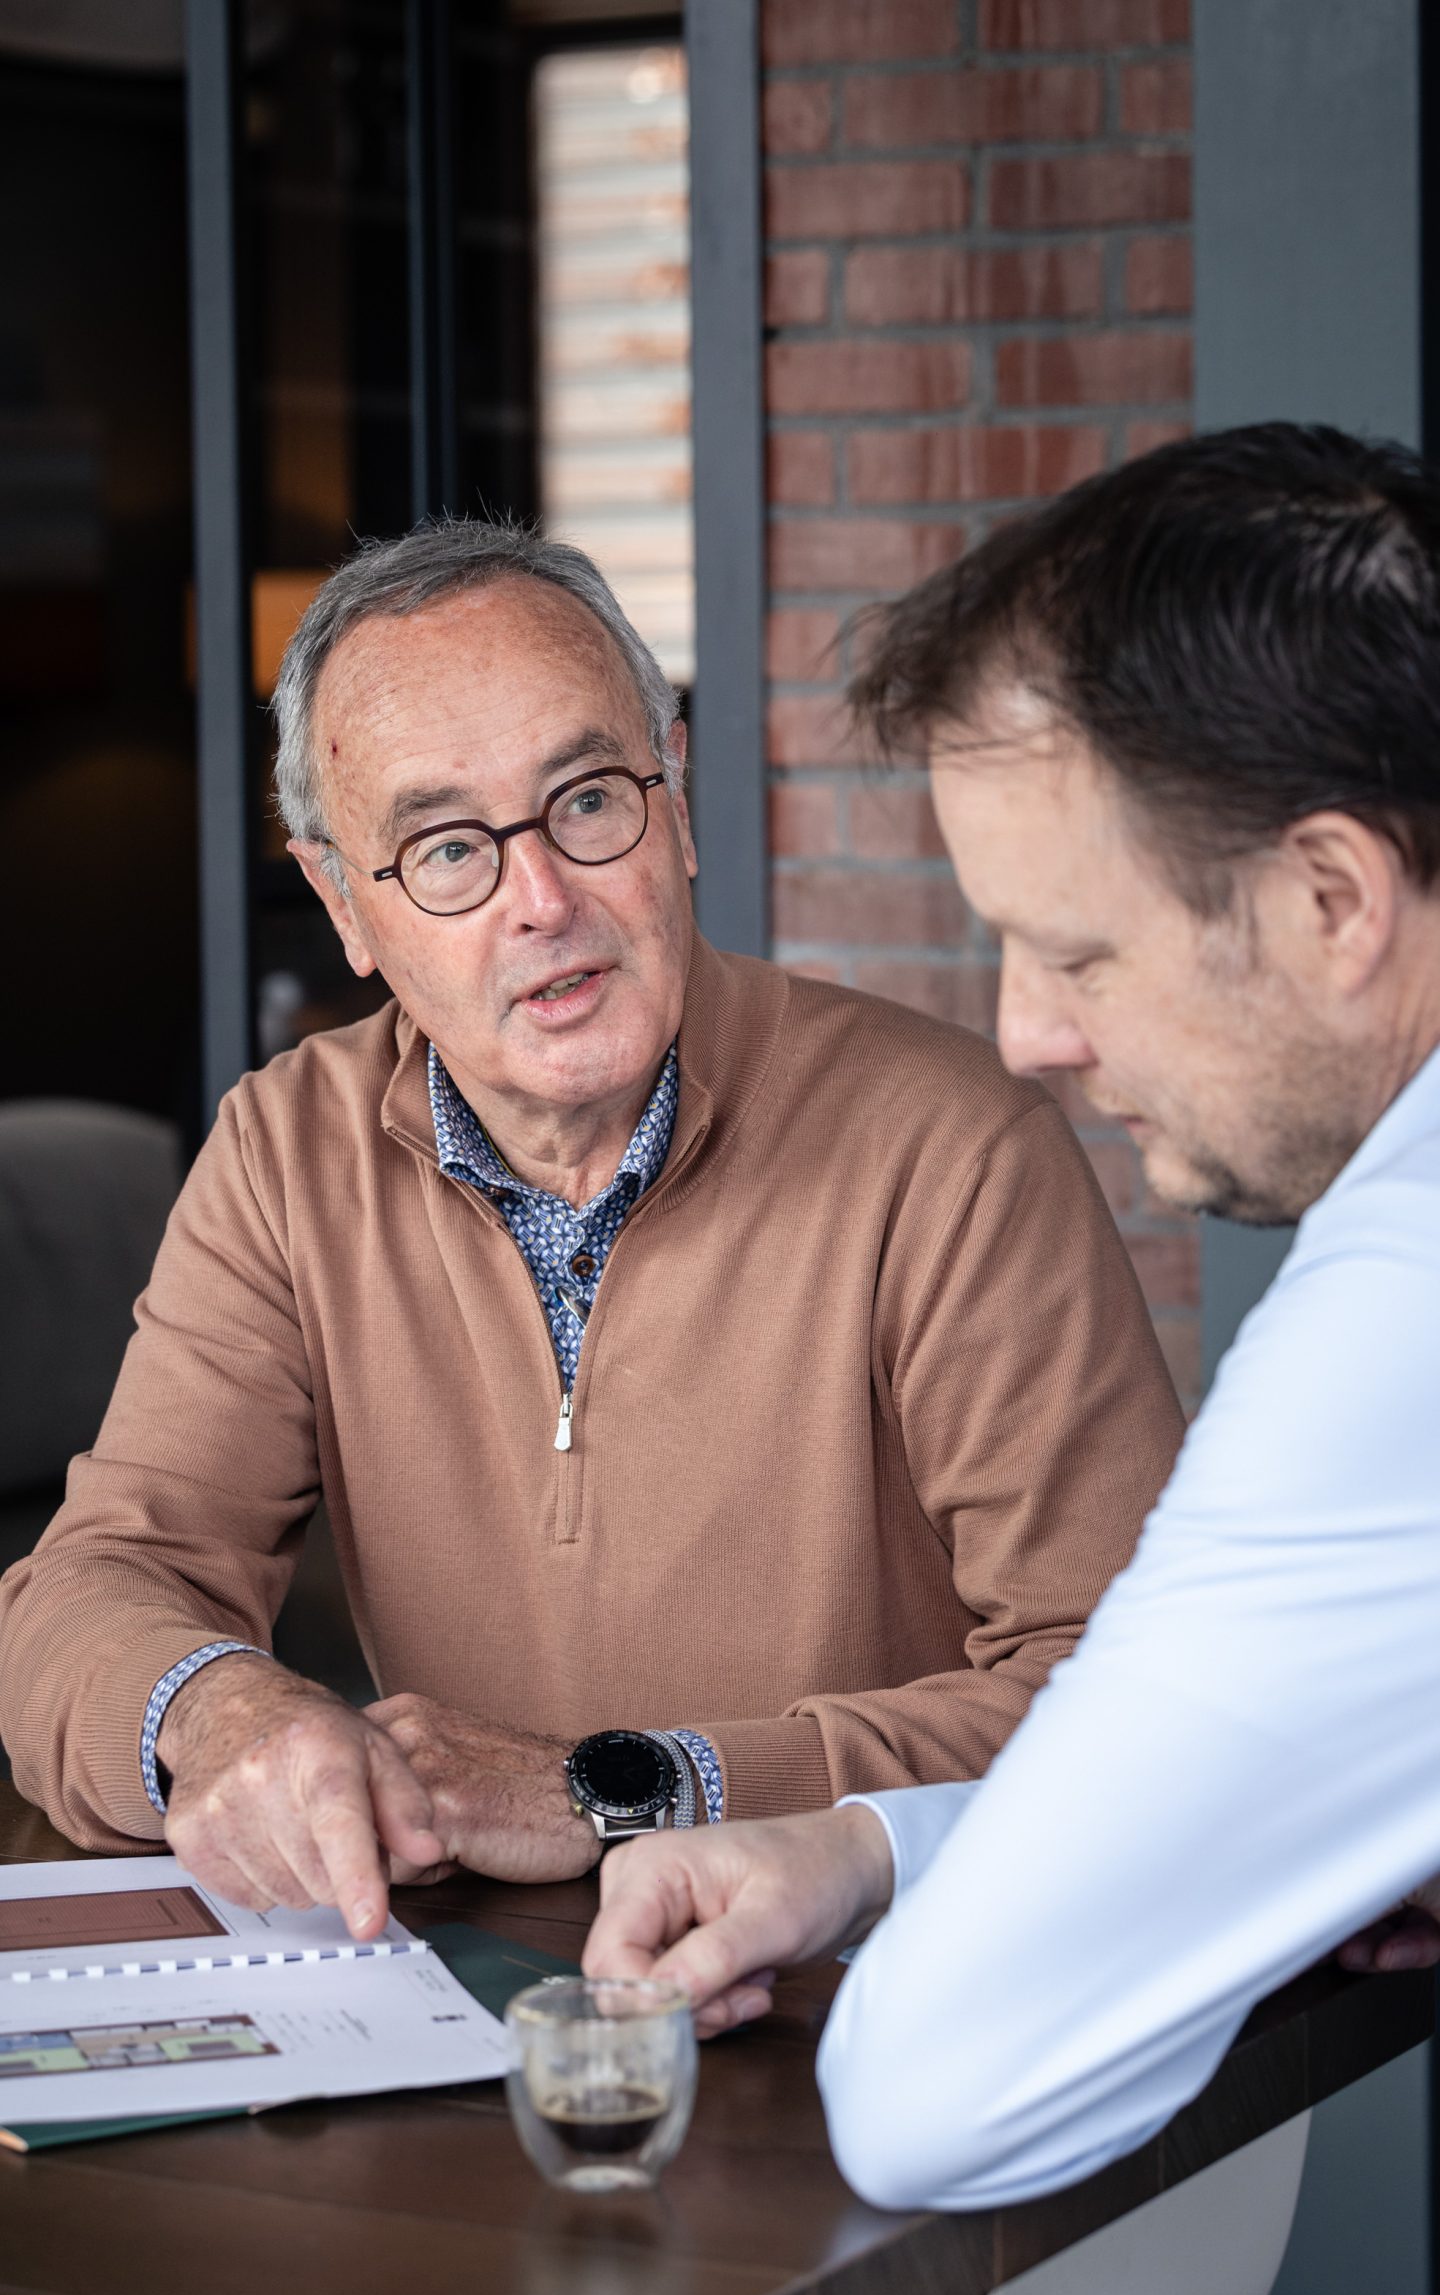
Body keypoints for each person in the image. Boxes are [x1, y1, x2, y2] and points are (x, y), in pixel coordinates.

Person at [576, 423, 1440, 2295]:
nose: (1026, 1032)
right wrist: (875, 1848)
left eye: (1074, 948)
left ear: (1334, 902)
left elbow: (934, 2091)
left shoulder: (1402, 1312)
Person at [0, 521, 1180, 1939]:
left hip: (888, 1980)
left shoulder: (953, 1147)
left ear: (674, 802)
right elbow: (92, 1592)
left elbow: (1135, 1698)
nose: (543, 901)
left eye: (589, 802)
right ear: (342, 904)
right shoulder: (284, 1155)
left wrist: (626, 1789)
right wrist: (220, 1710)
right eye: (447, 849)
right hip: (489, 2011)